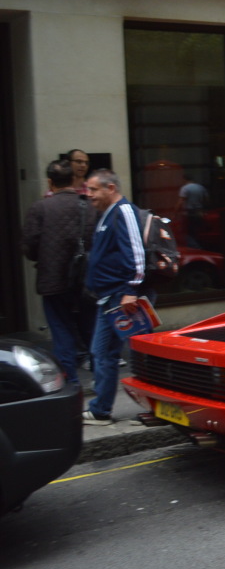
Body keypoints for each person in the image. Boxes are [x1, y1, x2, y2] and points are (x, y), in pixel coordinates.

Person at [82, 168, 151, 425]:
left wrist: (130, 291)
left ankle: (152, 406)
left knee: (140, 354)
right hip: (110, 298)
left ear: (110, 188)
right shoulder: (106, 215)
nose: (89, 195)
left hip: (121, 298)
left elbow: (136, 254)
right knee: (103, 353)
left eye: (93, 189)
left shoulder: (122, 211)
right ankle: (101, 409)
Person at [21, 160, 96, 385]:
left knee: (62, 334)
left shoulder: (40, 208)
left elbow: (29, 246)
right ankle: (102, 385)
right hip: (86, 281)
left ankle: (71, 385)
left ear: (50, 182)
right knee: (93, 333)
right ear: (74, 180)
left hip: (53, 281)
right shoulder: (89, 206)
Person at [177, 173, 209, 248]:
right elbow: (207, 200)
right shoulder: (201, 187)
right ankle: (200, 245)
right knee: (198, 231)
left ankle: (194, 247)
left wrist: (175, 213)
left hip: (189, 213)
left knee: (189, 232)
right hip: (199, 212)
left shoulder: (185, 188)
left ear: (184, 179)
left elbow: (181, 201)